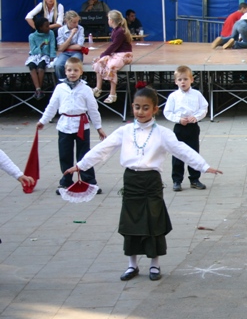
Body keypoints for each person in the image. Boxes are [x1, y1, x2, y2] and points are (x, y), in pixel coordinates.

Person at [64, 87, 223, 282]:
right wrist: (81, 165)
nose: (140, 111)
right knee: (131, 223)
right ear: (132, 107)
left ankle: (155, 265)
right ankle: (132, 265)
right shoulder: (125, 130)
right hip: (131, 180)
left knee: (153, 223)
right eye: (137, 107)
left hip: (151, 181)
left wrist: (204, 166)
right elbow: (103, 148)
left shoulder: (163, 133)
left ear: (155, 109)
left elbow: (182, 150)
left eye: (145, 108)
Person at [37, 57, 107, 194]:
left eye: (76, 70)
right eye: (69, 70)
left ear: (81, 72)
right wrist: (43, 121)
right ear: (65, 71)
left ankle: (89, 181)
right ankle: (66, 181)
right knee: (65, 154)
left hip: (82, 126)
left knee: (84, 155)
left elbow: (93, 109)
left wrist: (99, 127)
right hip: (64, 126)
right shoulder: (60, 88)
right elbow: (52, 106)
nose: (72, 73)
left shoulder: (86, 89)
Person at [163, 66, 209, 192]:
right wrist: (178, 119)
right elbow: (167, 112)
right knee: (178, 154)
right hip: (179, 128)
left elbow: (204, 108)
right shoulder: (173, 96)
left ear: (191, 80)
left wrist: (196, 117)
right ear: (175, 81)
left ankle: (194, 179)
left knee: (193, 153)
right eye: (180, 79)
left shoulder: (197, 94)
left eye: (185, 79)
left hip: (192, 127)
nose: (183, 82)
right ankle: (177, 180)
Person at [92, 10, 133, 104]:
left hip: (124, 54)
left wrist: (104, 54)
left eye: (108, 19)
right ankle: (98, 88)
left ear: (111, 20)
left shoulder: (120, 32)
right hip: (116, 53)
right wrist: (103, 57)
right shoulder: (115, 30)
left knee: (112, 67)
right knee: (99, 62)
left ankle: (112, 94)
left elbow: (114, 45)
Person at [25, 17, 56, 101]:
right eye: (46, 26)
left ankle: (39, 89)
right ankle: (38, 89)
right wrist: (40, 46)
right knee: (32, 66)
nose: (48, 27)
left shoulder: (51, 33)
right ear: (40, 27)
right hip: (35, 55)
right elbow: (33, 50)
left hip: (45, 55)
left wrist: (52, 56)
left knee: (41, 66)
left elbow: (52, 46)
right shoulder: (32, 36)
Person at [55, 11, 85, 82]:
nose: (76, 24)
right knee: (58, 65)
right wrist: (71, 35)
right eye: (74, 22)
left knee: (74, 65)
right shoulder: (61, 30)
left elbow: (79, 46)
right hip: (65, 53)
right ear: (67, 21)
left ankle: (75, 83)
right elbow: (61, 49)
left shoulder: (80, 29)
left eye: (77, 22)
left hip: (76, 52)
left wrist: (64, 46)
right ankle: (62, 84)